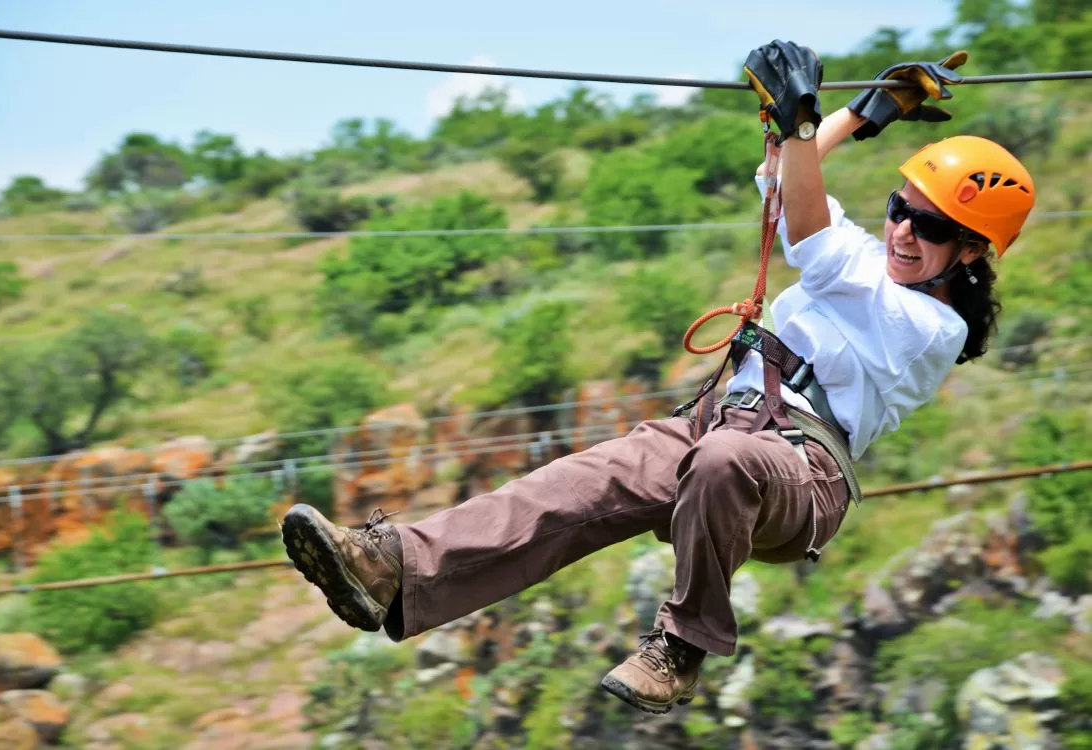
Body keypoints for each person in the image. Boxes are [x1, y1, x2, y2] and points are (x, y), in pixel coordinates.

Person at [279, 39, 1036, 715]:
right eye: (901, 207)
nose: (904, 231)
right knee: (568, 490)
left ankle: (682, 647)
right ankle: (389, 567)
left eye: (932, 227)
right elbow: (781, 182)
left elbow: (805, 229)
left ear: (972, 251)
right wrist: (864, 114)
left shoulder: (936, 329)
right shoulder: (872, 257)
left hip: (799, 473)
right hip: (720, 420)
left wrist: (808, 123)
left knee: (725, 462)